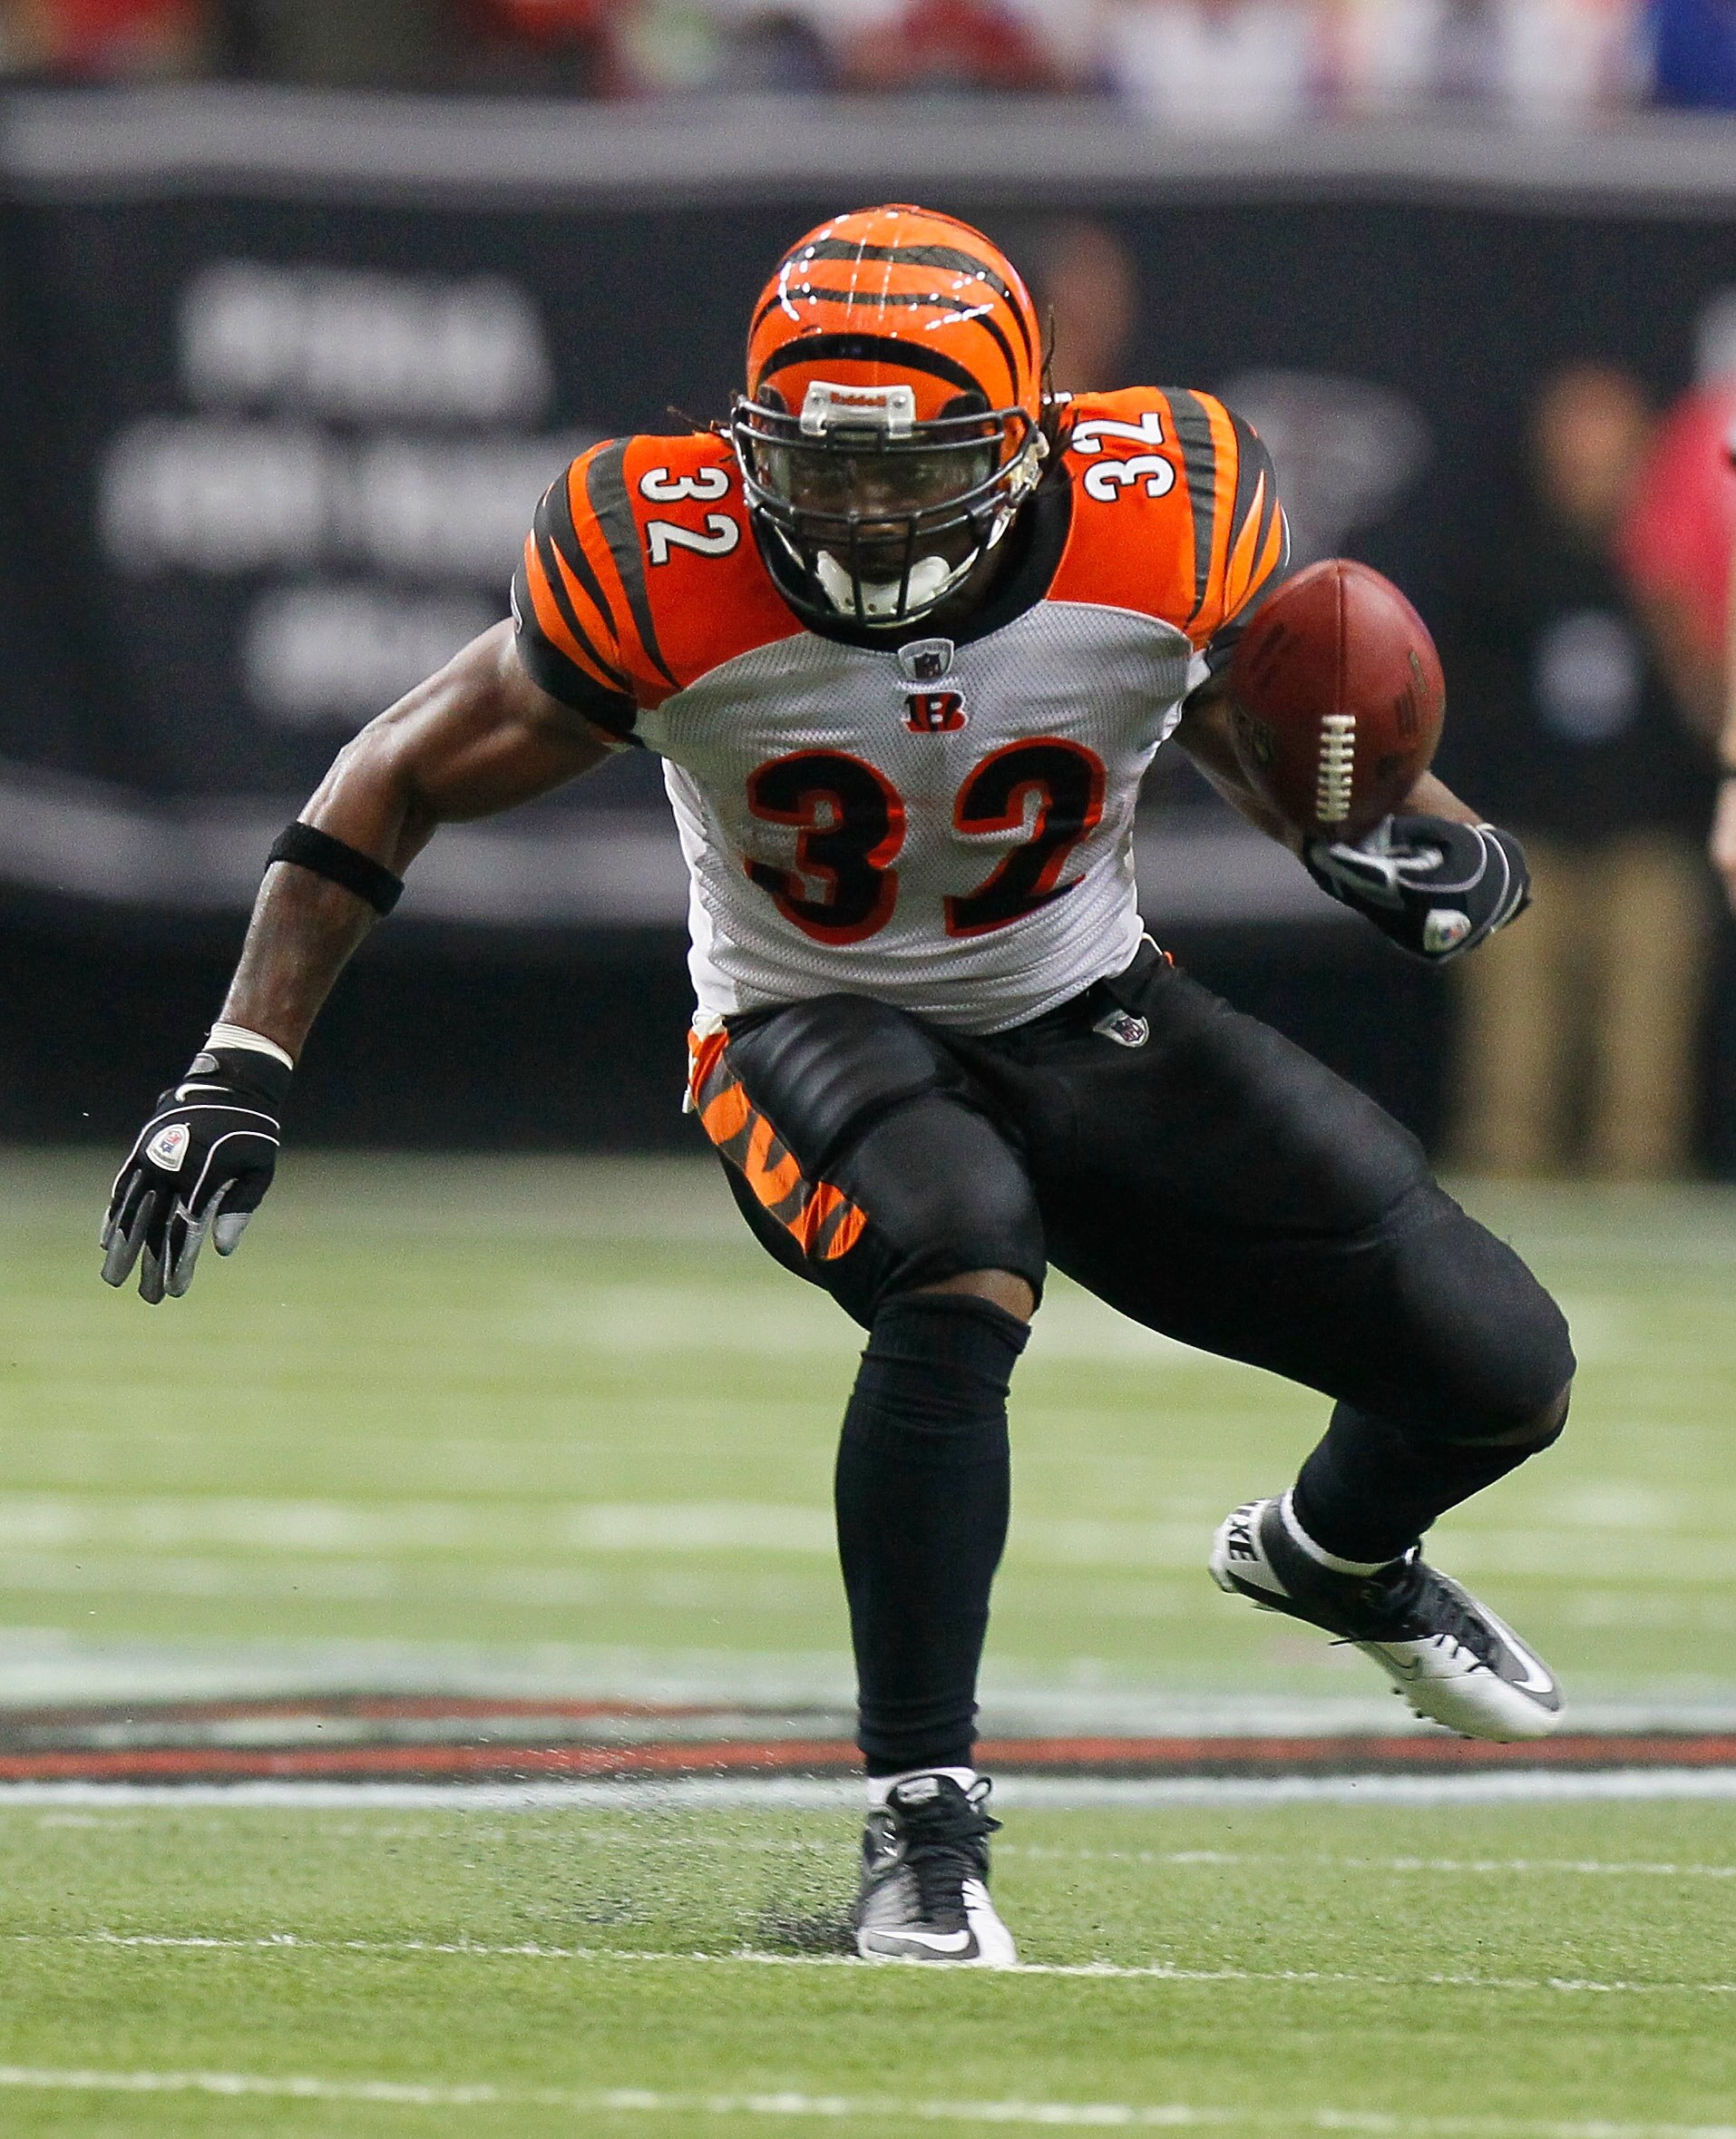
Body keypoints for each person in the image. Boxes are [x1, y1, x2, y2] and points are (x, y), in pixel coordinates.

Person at [102, 206, 1574, 1968]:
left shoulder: (1169, 502)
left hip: (1080, 994)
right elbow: (394, 771)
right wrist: (239, 1060)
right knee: (962, 1253)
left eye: (918, 470)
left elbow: (1235, 716)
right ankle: (922, 1823)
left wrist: (1406, 839)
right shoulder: (656, 559)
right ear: (748, 446)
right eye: (824, 470)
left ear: (1028, 441)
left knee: (1500, 1368)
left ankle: (1334, 1555)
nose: (867, 515)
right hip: (802, 1021)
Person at [1442, 365, 1717, 1178]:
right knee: (1511, 1066)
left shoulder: (1671, 568)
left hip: (1649, 840)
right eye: (1574, 434)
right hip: (1527, 845)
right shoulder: (1501, 565)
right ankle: (1499, 1225)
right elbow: (1459, 711)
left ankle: (1638, 1215)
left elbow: (1704, 706)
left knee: (1644, 1066)